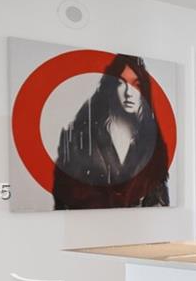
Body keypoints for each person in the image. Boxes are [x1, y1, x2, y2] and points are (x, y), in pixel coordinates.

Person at [51, 54, 171, 210]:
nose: (129, 92)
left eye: (136, 84)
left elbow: (159, 200)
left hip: (141, 229)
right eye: (121, 83)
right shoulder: (82, 136)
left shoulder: (152, 144)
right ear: (111, 87)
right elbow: (65, 195)